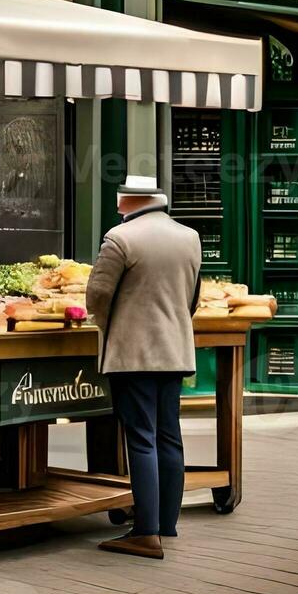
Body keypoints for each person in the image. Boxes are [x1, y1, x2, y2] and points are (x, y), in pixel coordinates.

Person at [85, 174, 202, 560]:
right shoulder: (189, 237)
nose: (117, 205)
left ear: (132, 202)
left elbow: (98, 297)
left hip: (134, 353)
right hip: (174, 350)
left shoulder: (120, 239)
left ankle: (145, 532)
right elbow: (192, 298)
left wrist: (106, 325)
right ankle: (166, 522)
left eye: (121, 199)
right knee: (169, 435)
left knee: (141, 437)